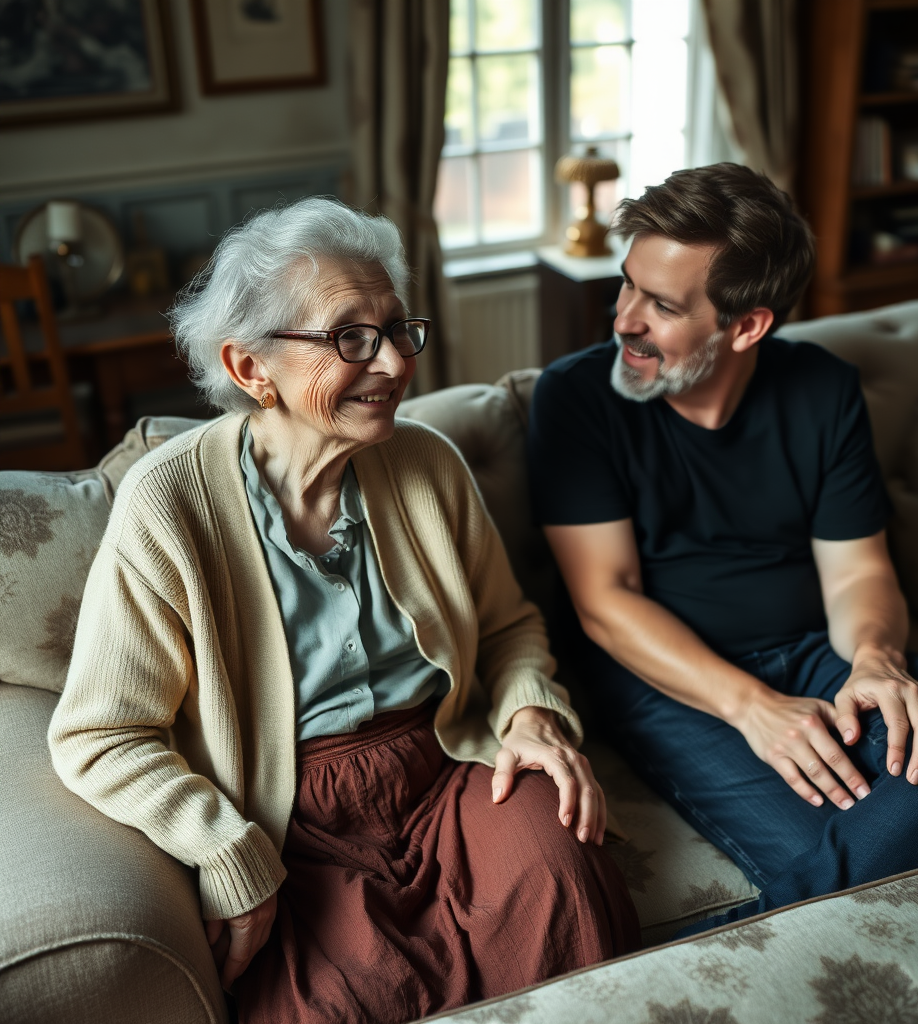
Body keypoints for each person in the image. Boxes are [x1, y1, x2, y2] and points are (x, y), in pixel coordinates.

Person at [48, 197, 639, 1023]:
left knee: (564, 885)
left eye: (400, 330)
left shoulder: (427, 463)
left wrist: (532, 715)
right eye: (350, 338)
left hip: (447, 760)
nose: (396, 364)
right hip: (287, 812)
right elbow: (100, 734)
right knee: (336, 999)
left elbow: (508, 629)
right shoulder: (168, 503)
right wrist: (225, 850)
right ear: (252, 370)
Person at [527, 163, 918, 930]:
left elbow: (858, 568)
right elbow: (605, 602)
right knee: (832, 833)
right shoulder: (575, 397)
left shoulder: (821, 388)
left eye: (660, 304)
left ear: (746, 324)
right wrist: (754, 708)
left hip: (816, 649)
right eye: (627, 286)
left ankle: (775, 919)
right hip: (671, 683)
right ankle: (797, 913)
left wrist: (875, 665)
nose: (624, 319)